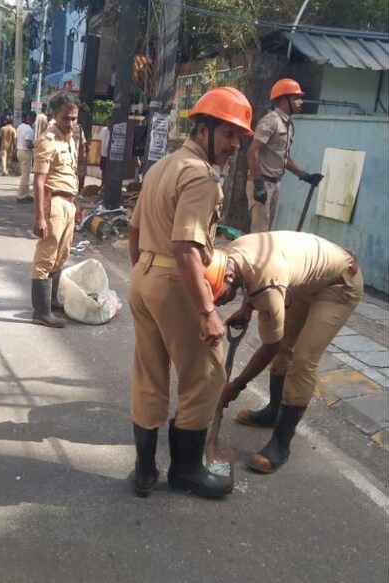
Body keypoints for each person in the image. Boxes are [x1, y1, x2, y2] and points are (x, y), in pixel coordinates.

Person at [126, 86, 254, 499]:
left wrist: (145, 270)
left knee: (149, 377)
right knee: (206, 375)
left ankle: (144, 472)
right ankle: (185, 472)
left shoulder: (163, 165)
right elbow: (185, 248)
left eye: (240, 136)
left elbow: (133, 229)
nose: (236, 144)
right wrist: (206, 312)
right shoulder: (200, 176)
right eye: (230, 133)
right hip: (176, 284)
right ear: (203, 128)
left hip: (144, 278)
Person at [213, 231, 362, 473]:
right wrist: (245, 307)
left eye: (220, 296)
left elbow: (269, 345)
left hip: (339, 284)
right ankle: (274, 411)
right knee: (284, 348)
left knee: (303, 359)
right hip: (304, 282)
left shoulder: (267, 285)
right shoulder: (230, 253)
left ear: (228, 275)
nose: (218, 303)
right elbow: (250, 276)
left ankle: (281, 445)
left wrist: (236, 385)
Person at [29, 95, 85, 328]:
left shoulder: (71, 139)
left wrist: (76, 205)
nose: (71, 123)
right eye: (66, 118)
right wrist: (40, 217)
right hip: (53, 205)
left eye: (74, 119)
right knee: (46, 256)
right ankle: (41, 312)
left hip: (68, 205)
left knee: (61, 254)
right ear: (55, 115)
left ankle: (51, 302)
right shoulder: (47, 140)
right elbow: (39, 181)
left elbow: (69, 174)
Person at [246, 78, 323, 233]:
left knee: (265, 231)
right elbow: (252, 151)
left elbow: (284, 159)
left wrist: (305, 176)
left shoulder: (288, 125)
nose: (300, 102)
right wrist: (258, 184)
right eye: (296, 98)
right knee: (259, 233)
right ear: (283, 100)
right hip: (262, 183)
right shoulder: (271, 121)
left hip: (274, 184)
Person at [16, 112, 36, 200]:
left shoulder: (20, 127)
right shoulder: (29, 130)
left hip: (19, 150)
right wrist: (36, 145)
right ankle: (21, 195)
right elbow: (28, 144)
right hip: (26, 152)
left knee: (24, 173)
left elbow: (16, 139)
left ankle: (26, 193)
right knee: (25, 175)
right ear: (33, 119)